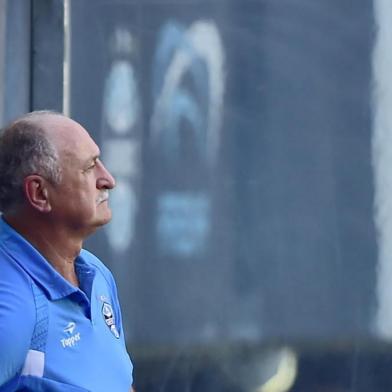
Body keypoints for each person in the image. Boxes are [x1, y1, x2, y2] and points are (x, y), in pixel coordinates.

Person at [0, 111, 134, 391]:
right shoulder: (11, 307)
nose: (108, 179)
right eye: (89, 168)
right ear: (39, 193)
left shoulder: (96, 274)